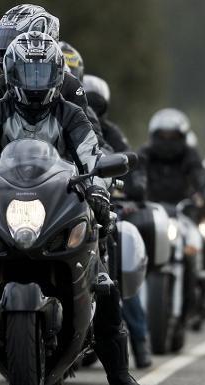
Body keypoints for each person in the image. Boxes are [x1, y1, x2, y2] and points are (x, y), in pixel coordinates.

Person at [0, 32, 138, 385]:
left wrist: (100, 190)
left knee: (102, 280)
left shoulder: (71, 114)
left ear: (58, 74)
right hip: (3, 203)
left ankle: (119, 374)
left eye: (42, 74)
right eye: (27, 73)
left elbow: (92, 152)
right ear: (12, 74)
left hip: (59, 203)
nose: (34, 83)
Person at [84, 74, 152, 369]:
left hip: (97, 203)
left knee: (119, 249)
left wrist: (131, 184)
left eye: (94, 103)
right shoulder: (33, 120)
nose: (89, 108)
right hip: (53, 204)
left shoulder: (107, 133)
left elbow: (126, 160)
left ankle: (138, 339)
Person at [0, 4, 106, 146]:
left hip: (60, 166)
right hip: (8, 166)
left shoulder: (71, 86)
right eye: (3, 44)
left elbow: (90, 145)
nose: (3, 53)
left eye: (12, 43)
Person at [137, 108, 205, 204]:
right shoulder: (145, 153)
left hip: (184, 212)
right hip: (147, 210)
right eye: (162, 136)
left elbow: (198, 175)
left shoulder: (189, 154)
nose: (167, 142)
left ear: (183, 137)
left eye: (174, 137)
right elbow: (135, 175)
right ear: (154, 136)